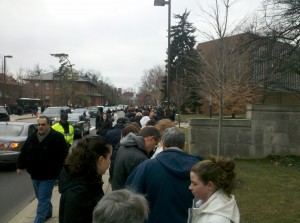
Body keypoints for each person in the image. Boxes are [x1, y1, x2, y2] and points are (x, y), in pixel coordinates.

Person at [126, 127, 200, 223]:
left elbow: (130, 196)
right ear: (183, 146)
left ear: (163, 146)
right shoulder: (200, 167)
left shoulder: (146, 167)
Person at [16, 115, 68, 223]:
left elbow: (64, 154)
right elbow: (24, 151)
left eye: (43, 124)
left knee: (43, 199)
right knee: (40, 196)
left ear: (49, 125)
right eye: (39, 124)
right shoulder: (32, 137)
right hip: (35, 174)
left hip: (49, 175)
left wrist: (60, 168)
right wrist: (20, 165)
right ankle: (48, 212)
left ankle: (38, 220)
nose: (40, 127)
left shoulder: (57, 137)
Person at [59, 136, 112, 223]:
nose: (110, 161)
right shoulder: (79, 193)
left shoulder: (88, 177)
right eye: (109, 157)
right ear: (101, 160)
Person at [188, 157, 240, 223]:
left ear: (210, 185)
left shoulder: (216, 220)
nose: (190, 187)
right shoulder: (203, 203)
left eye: (194, 184)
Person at [111, 126, 161, 190]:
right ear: (151, 139)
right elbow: (138, 186)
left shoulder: (124, 147)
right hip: (127, 197)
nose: (154, 148)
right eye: (155, 144)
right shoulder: (140, 158)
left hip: (119, 192)